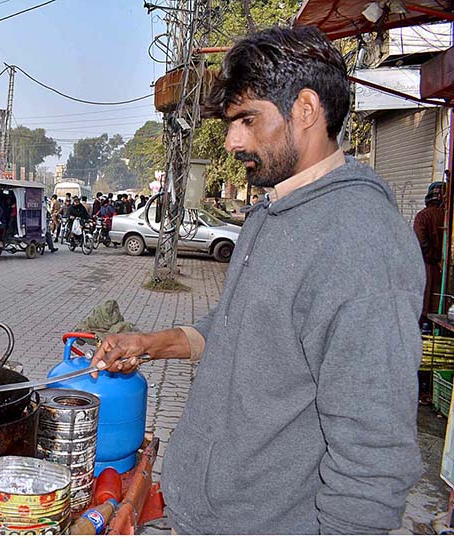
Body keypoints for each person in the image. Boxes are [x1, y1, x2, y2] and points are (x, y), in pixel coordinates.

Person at [90, 26, 423, 534]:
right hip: (206, 513)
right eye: (230, 122)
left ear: (306, 110)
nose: (232, 140)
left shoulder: (361, 242)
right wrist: (152, 342)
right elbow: (238, 325)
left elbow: (373, 461)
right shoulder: (273, 211)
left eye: (248, 119)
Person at [414, 182, 445, 326]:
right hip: (441, 272)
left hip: (428, 271)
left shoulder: (422, 216)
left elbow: (421, 244)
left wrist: (434, 258)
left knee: (426, 310)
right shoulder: (447, 215)